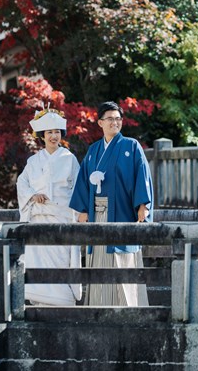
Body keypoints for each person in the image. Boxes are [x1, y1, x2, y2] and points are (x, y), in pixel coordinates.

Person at [69, 101, 152, 307]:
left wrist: (143, 205)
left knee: (122, 260)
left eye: (118, 119)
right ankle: (98, 310)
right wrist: (82, 209)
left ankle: (130, 310)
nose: (115, 122)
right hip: (96, 215)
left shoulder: (131, 146)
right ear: (100, 123)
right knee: (98, 259)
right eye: (110, 119)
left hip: (122, 212)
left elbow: (142, 175)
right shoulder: (94, 150)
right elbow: (82, 180)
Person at [16, 108, 82, 306]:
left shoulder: (69, 158)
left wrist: (78, 214)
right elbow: (22, 183)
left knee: (62, 259)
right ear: (42, 137)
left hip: (62, 217)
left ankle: (63, 301)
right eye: (49, 132)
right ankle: (39, 302)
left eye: (57, 132)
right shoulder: (33, 161)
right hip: (39, 219)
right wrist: (33, 195)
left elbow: (79, 188)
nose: (54, 136)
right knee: (38, 260)